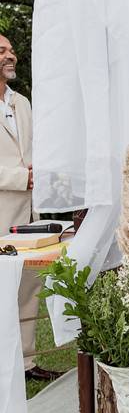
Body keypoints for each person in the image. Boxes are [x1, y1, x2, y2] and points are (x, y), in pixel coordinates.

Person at [0, 35, 60, 381]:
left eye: (11, 50)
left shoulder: (21, 102)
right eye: (2, 51)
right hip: (2, 210)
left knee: (28, 287)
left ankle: (25, 363)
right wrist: (24, 177)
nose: (12, 55)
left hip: (29, 214)